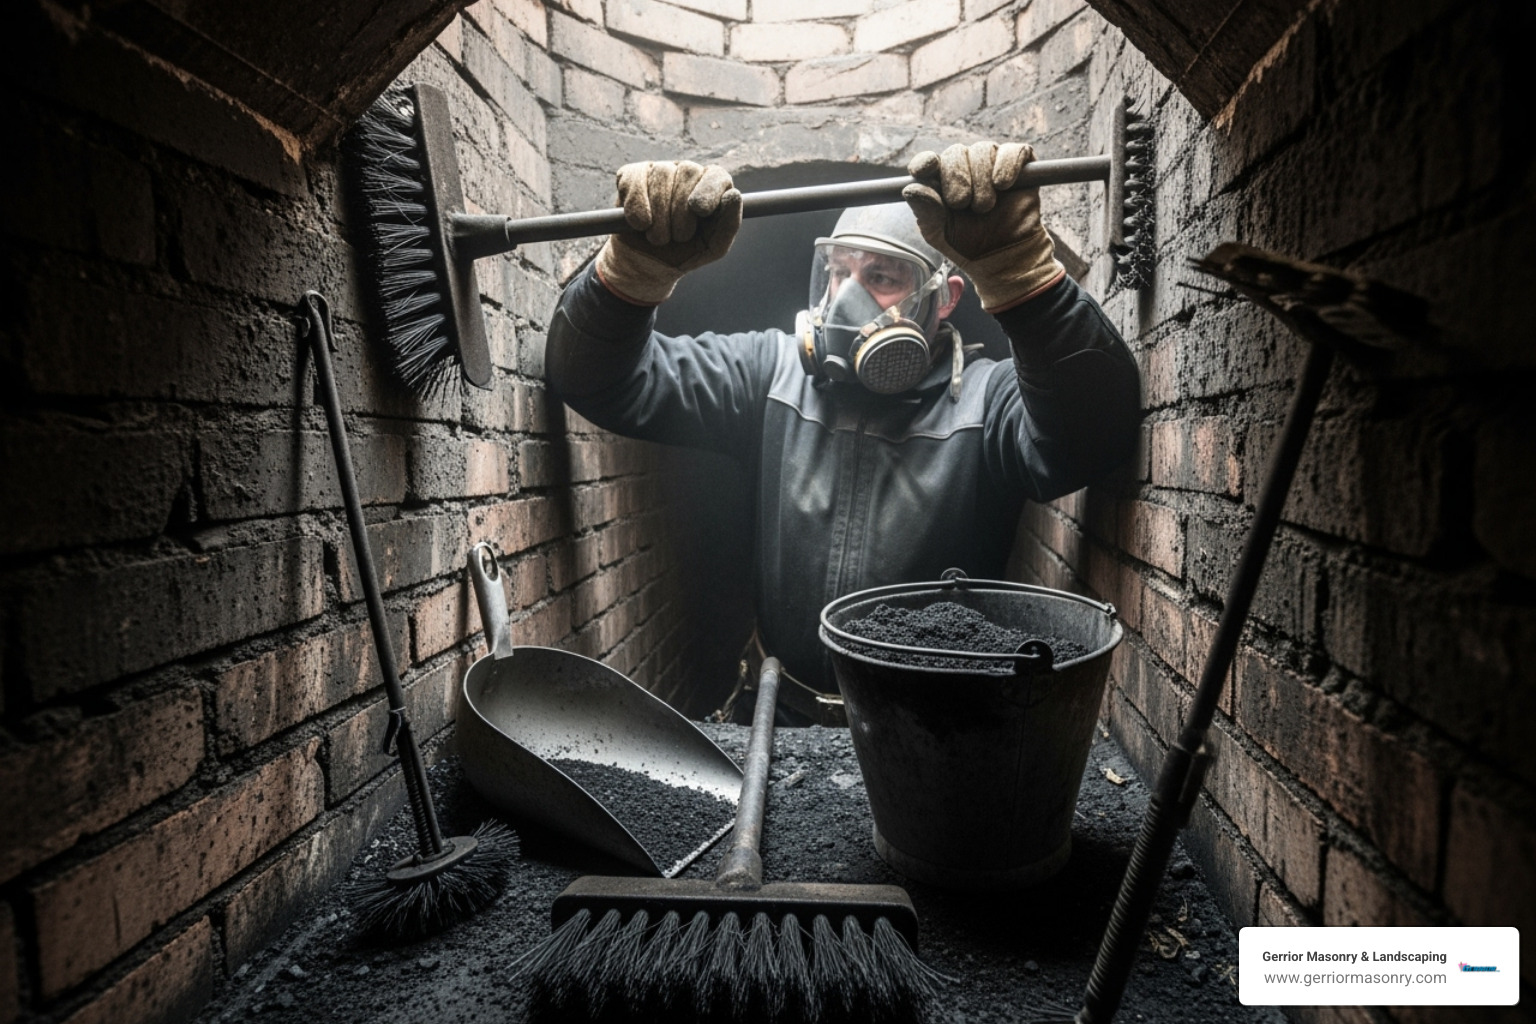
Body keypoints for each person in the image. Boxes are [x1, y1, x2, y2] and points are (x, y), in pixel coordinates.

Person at [544, 142, 1142, 723]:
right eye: (839, 273)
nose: (848, 299)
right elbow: (602, 381)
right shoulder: (771, 372)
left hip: (934, 731)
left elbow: (1088, 438)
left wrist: (1021, 271)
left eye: (882, 278)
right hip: (781, 712)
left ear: (943, 299)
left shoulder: (989, 399)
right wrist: (632, 271)